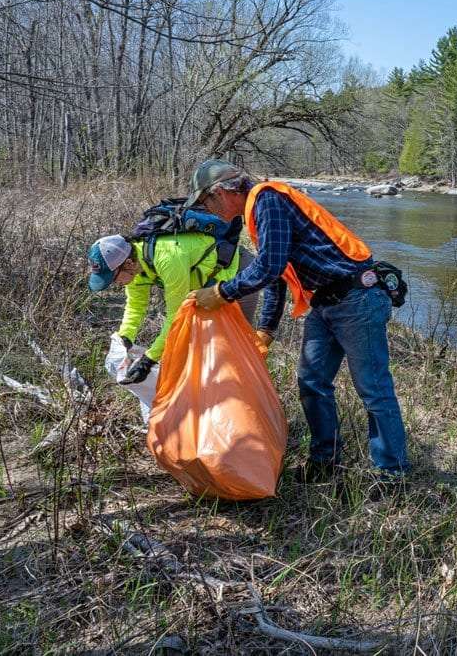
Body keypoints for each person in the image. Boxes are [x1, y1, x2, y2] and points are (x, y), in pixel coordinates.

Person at [185, 159, 409, 482]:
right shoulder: (259, 211)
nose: (207, 209)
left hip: (357, 297)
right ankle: (325, 462)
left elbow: (270, 267)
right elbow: (276, 276)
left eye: (206, 201)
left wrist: (222, 292)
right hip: (325, 302)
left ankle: (392, 475)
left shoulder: (267, 199)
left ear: (221, 192)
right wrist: (266, 331)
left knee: (373, 389)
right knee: (312, 381)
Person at [88, 231, 259, 384]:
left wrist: (149, 359)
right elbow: (135, 306)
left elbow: (176, 316)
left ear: (129, 263)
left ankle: (247, 395)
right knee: (203, 349)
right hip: (207, 288)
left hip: (237, 273)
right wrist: (125, 337)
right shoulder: (135, 271)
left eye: (114, 278)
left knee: (232, 346)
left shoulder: (168, 257)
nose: (115, 283)